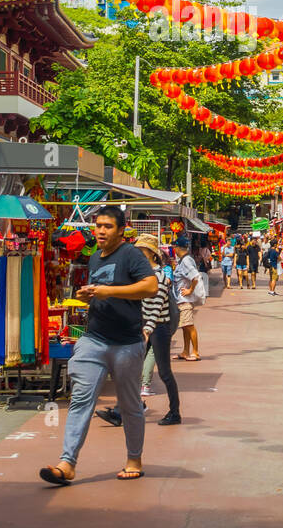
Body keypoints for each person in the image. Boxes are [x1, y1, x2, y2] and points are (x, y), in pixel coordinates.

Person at [39, 206, 157, 486]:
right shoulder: (94, 258)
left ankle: (134, 459)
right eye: (98, 225)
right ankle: (66, 464)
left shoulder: (130, 254)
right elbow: (103, 293)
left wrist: (108, 291)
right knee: (81, 399)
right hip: (94, 339)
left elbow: (150, 287)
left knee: (129, 405)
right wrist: (89, 295)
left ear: (120, 230)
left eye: (107, 226)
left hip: (127, 343)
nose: (101, 231)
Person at [95, 235, 181, 427]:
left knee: (165, 372)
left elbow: (156, 307)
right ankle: (122, 410)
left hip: (158, 328)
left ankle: (175, 412)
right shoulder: (139, 276)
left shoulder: (159, 277)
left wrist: (147, 330)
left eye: (141, 251)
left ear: (151, 254)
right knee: (130, 370)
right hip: (143, 327)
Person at [173, 234, 203, 360]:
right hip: (181, 299)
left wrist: (190, 290)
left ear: (178, 247)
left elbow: (195, 277)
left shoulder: (186, 261)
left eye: (174, 247)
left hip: (185, 299)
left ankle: (195, 352)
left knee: (189, 325)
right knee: (185, 326)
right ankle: (185, 351)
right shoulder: (183, 260)